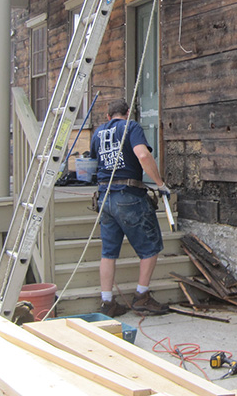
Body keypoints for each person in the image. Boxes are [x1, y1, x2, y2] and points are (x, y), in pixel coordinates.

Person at [90, 98, 171, 317]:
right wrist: (160, 184)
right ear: (127, 113)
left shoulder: (98, 132)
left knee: (108, 252)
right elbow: (143, 155)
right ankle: (141, 296)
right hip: (128, 195)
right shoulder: (131, 127)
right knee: (151, 247)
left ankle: (107, 302)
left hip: (105, 197)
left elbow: (94, 162)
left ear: (108, 116)